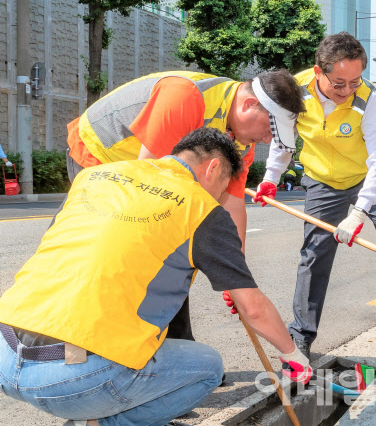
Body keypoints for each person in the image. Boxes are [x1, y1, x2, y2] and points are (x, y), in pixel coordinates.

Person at [0, 129, 311, 426]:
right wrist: (293, 355)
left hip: (5, 351)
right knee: (208, 368)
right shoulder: (200, 207)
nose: (219, 197)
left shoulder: (94, 175)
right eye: (223, 187)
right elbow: (252, 307)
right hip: (71, 379)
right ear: (213, 168)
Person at [67, 70, 305, 343]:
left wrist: (235, 277)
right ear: (248, 105)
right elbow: (148, 180)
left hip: (146, 169)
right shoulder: (184, 97)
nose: (266, 140)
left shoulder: (239, 143)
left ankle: (176, 345)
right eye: (269, 129)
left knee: (173, 248)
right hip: (100, 157)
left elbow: (233, 205)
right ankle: (103, 340)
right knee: (133, 249)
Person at [253, 32, 376, 360]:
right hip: (322, 181)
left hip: (369, 178)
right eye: (338, 83)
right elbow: (284, 142)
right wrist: (271, 178)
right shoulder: (295, 92)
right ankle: (301, 335)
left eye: (354, 82)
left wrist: (358, 213)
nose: (346, 91)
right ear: (318, 72)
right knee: (314, 253)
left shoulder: (369, 98)